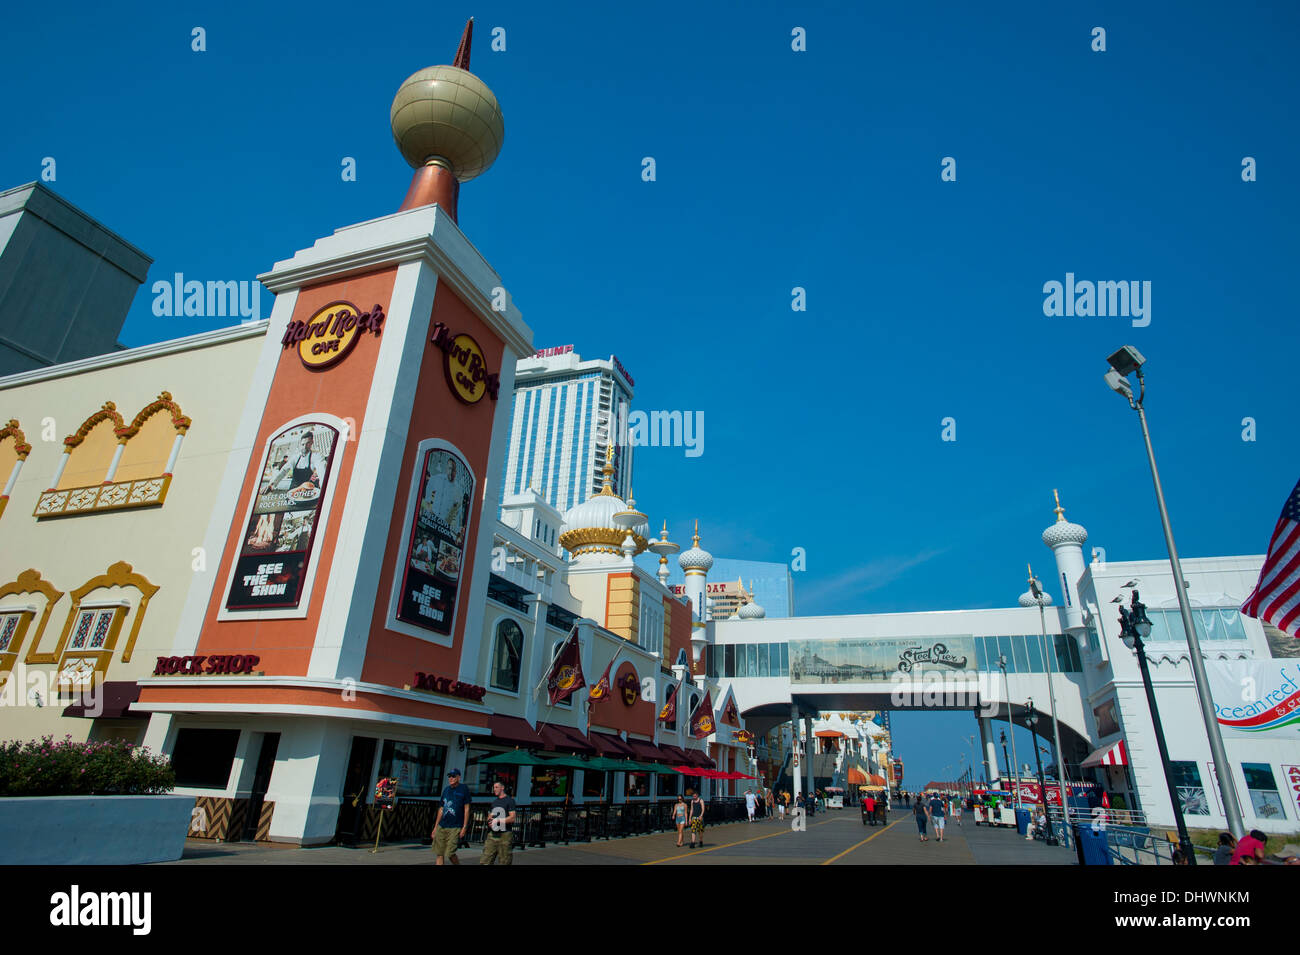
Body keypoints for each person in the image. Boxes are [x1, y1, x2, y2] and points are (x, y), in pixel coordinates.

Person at [263, 429, 325, 494]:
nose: (304, 447)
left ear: (312, 442)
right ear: (300, 443)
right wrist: (271, 485)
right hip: (293, 491)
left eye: (307, 443)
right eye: (303, 444)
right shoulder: (295, 457)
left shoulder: (316, 455)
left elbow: (321, 470)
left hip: (307, 490)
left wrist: (323, 485)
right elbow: (284, 470)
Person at [431, 768, 471, 865]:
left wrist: (464, 827)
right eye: (449, 776)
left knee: (450, 853)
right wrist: (435, 827)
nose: (451, 778)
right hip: (442, 825)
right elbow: (441, 808)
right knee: (439, 853)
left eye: (453, 776)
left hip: (455, 826)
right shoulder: (446, 790)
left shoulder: (463, 789)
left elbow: (467, 809)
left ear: (458, 777)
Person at [480, 779, 517, 865]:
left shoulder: (510, 801)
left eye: (497, 787)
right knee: (485, 860)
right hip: (493, 834)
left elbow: (512, 818)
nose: (494, 789)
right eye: (494, 787)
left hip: (505, 834)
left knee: (504, 860)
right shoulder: (495, 802)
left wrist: (498, 820)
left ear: (502, 788)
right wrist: (489, 821)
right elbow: (491, 815)